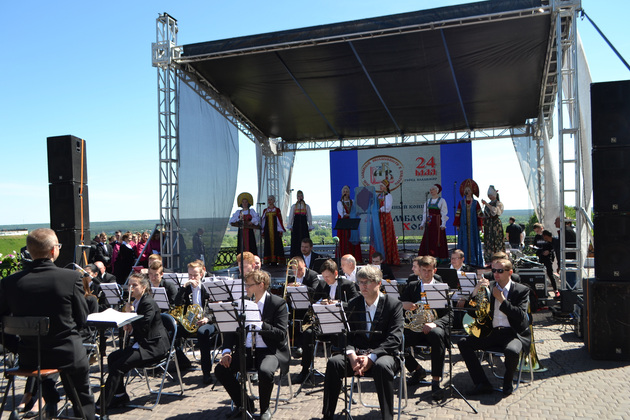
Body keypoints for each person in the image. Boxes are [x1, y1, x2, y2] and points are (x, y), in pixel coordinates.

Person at [0, 228, 95, 419]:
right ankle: (83, 413)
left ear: (29, 251)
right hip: (67, 354)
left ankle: (50, 398)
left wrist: (17, 347)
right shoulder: (71, 278)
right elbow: (82, 319)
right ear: (53, 250)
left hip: (30, 357)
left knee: (45, 367)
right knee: (82, 394)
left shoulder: (9, 282)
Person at [322, 264, 403, 420]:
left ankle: (387, 417)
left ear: (379, 283)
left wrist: (371, 357)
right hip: (357, 355)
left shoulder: (393, 305)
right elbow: (346, 334)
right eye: (360, 282)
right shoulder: (354, 303)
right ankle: (327, 416)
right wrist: (351, 355)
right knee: (334, 363)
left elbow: (395, 338)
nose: (363, 286)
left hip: (383, 354)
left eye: (367, 282)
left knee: (382, 367)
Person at [215, 270, 290, 420]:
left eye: (249, 285)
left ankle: (265, 408)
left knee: (265, 371)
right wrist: (227, 352)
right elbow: (231, 329)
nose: (246, 288)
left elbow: (281, 334)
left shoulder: (277, 303)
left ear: (261, 285)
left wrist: (260, 324)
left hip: (270, 350)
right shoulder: (242, 303)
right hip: (248, 349)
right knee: (221, 369)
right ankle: (244, 403)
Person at [457, 258, 530, 396]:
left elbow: (520, 316)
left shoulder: (521, 290)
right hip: (492, 332)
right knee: (463, 342)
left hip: (513, 333)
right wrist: (476, 291)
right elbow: (471, 310)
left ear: (510, 272)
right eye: (494, 270)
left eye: (500, 271)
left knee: (512, 351)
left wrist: (501, 299)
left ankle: (508, 382)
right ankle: (482, 383)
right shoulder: (488, 287)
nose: (496, 274)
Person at [100, 273, 170, 409]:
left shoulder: (148, 303)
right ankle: (120, 395)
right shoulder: (136, 302)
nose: (130, 288)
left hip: (152, 347)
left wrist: (131, 315)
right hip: (142, 343)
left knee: (118, 367)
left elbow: (144, 327)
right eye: (129, 285)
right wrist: (129, 325)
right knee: (112, 357)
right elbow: (136, 328)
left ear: (143, 287)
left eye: (134, 285)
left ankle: (103, 404)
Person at [295, 259, 357, 384]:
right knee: (308, 333)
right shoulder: (322, 284)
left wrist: (338, 303)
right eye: (323, 276)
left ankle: (337, 373)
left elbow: (355, 304)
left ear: (335, 273)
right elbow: (313, 302)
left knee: (339, 336)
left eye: (328, 276)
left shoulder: (347, 284)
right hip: (324, 323)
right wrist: (320, 303)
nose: (326, 279)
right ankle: (305, 370)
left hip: (340, 324)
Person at [400, 256, 451, 399]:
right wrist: (403, 305)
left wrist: (435, 323)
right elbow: (397, 305)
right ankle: (417, 370)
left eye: (429, 271)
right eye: (424, 270)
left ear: (435, 270)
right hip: (415, 327)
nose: (426, 274)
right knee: (397, 339)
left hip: (434, 327)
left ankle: (435, 381)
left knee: (437, 335)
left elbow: (450, 314)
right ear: (420, 271)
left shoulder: (441, 288)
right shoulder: (412, 286)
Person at [173, 260, 216, 383]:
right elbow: (177, 303)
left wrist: (207, 318)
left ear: (201, 274)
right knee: (172, 333)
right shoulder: (186, 289)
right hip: (191, 322)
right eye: (190, 275)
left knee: (203, 333)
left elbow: (215, 308)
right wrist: (183, 288)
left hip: (208, 321)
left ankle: (206, 372)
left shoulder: (208, 288)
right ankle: (183, 362)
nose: (192, 278)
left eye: (195, 275)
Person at [453, 179, 484, 267]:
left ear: (472, 192)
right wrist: (457, 224)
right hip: (463, 226)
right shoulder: (461, 203)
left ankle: (474, 260)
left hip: (473, 226)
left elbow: (479, 215)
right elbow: (458, 214)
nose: (468, 192)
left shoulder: (475, 203)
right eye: (466, 190)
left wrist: (480, 225)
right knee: (464, 241)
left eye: (469, 190)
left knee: (473, 242)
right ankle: (464, 260)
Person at [418, 184, 449, 261]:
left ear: (437, 191)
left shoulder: (441, 201)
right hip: (430, 222)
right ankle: (428, 256)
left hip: (438, 222)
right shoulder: (428, 201)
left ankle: (438, 257)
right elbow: (425, 213)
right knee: (429, 238)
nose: (431, 191)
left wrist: (443, 224)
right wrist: (422, 224)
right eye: (430, 190)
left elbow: (444, 213)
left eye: (433, 189)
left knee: (437, 239)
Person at [377, 180, 400, 266]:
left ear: (386, 187)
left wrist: (380, 209)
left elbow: (388, 208)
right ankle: (380, 258)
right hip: (379, 217)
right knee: (380, 237)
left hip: (385, 218)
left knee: (387, 237)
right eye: (380, 185)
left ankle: (388, 258)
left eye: (382, 185)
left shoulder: (388, 196)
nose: (380, 187)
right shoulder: (379, 195)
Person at [336, 185, 362, 263]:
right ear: (342, 193)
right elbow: (342, 214)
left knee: (352, 242)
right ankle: (344, 261)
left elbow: (356, 211)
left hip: (352, 225)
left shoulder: (352, 202)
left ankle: (354, 260)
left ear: (349, 193)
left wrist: (355, 213)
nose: (345, 193)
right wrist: (351, 214)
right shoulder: (340, 203)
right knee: (344, 242)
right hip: (344, 225)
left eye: (347, 191)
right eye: (344, 191)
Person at [482, 185, 505, 264]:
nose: (490, 197)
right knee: (488, 241)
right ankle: (489, 258)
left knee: (496, 240)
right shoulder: (489, 204)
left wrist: (487, 204)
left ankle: (498, 258)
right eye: (489, 195)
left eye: (491, 195)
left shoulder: (499, 203)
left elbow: (496, 212)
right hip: (488, 225)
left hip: (495, 225)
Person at [288, 190, 314, 258]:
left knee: (305, 239)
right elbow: (291, 216)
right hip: (296, 226)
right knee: (296, 241)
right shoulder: (294, 206)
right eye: (298, 196)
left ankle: (305, 255)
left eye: (301, 196)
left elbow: (309, 216)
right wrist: (290, 225)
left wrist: (310, 225)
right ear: (297, 197)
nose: (300, 197)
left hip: (304, 226)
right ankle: (295, 256)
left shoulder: (306, 206)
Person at [261, 195, 286, 266]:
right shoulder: (265, 210)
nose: (269, 201)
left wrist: (280, 230)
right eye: (268, 199)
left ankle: (277, 260)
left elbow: (279, 221)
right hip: (267, 231)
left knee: (277, 245)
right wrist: (262, 231)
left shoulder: (277, 210)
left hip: (275, 231)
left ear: (274, 201)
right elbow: (263, 221)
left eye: (271, 199)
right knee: (268, 244)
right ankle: (268, 260)